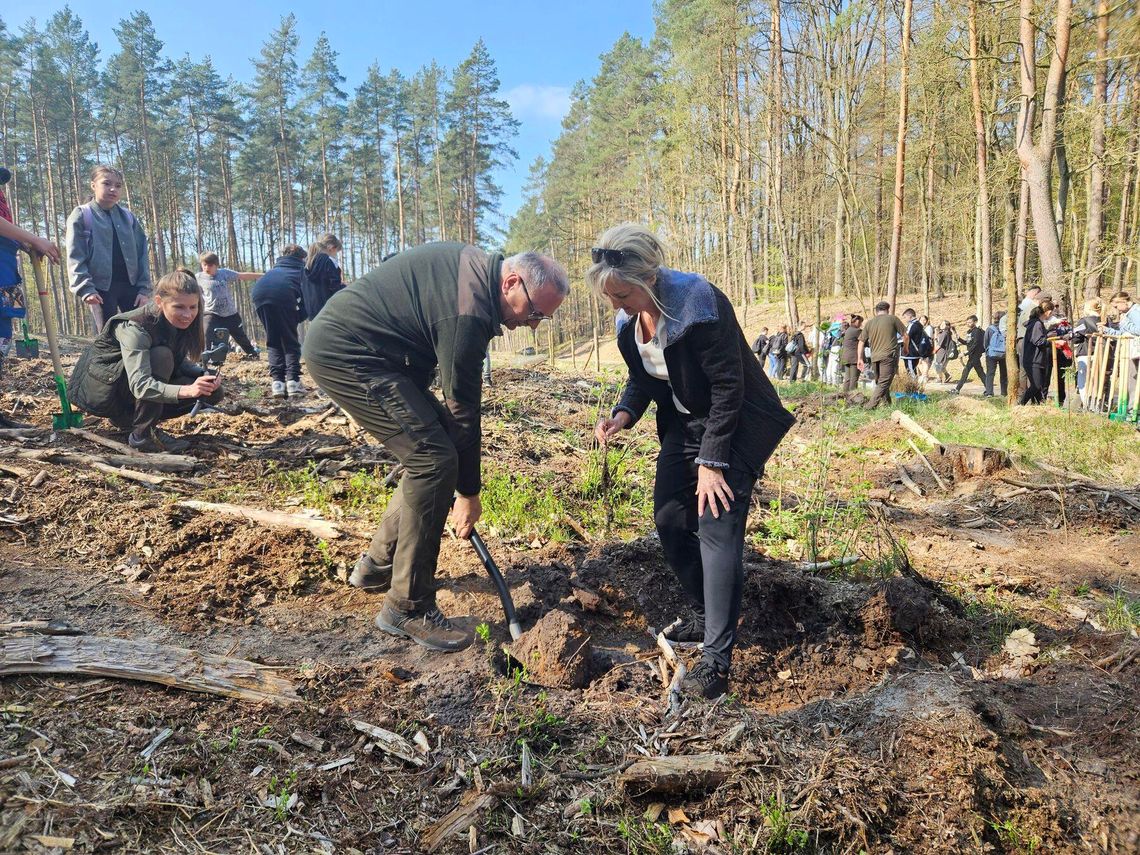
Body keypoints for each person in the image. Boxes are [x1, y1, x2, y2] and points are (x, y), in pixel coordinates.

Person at [303, 241, 569, 653]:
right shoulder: (469, 311)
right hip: (349, 353)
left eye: (542, 319)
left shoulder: (476, 275)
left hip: (375, 353)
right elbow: (463, 410)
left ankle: (378, 565)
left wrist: (463, 484)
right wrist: (469, 494)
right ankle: (407, 606)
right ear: (511, 282)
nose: (533, 325)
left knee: (430, 452)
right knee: (432, 458)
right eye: (534, 313)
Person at [590, 224, 795, 700]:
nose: (616, 305)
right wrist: (623, 414)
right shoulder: (628, 320)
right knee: (669, 519)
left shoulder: (698, 304)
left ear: (648, 278)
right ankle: (705, 612)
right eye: (610, 298)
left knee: (715, 525)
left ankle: (717, 664)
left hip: (734, 424)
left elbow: (728, 385)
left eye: (622, 294)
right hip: (684, 428)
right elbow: (643, 378)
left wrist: (713, 462)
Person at [67, 269, 222, 452]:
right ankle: (142, 435)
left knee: (212, 391)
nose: (187, 314)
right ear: (159, 302)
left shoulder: (178, 322)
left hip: (126, 386)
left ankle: (128, 418)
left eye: (193, 307)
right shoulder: (135, 327)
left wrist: (203, 375)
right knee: (162, 356)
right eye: (179, 307)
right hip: (101, 394)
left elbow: (178, 360)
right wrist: (188, 390)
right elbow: (140, 384)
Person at [65, 165, 151, 331]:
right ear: (93, 185)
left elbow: (142, 255)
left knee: (140, 334)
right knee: (106, 337)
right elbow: (75, 256)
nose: (113, 189)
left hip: (131, 288)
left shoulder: (128, 217)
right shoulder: (82, 215)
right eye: (106, 183)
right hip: (100, 289)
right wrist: (85, 289)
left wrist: (144, 289)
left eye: (118, 186)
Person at [252, 245, 308, 398]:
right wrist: (298, 317)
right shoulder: (302, 271)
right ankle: (293, 382)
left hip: (259, 294)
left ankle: (277, 383)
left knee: (274, 341)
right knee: (290, 341)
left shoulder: (275, 269)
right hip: (283, 295)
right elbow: (309, 300)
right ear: (302, 258)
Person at [196, 252, 261, 358]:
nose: (207, 268)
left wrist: (262, 275)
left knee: (240, 336)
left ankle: (252, 353)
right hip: (212, 313)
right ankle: (204, 356)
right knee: (206, 332)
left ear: (216, 265)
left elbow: (242, 276)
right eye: (204, 265)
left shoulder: (224, 273)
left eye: (210, 265)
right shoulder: (198, 278)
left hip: (230, 314)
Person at [858, 301, 907, 409]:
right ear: (887, 310)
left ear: (876, 311)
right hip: (888, 355)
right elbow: (905, 336)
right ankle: (869, 406)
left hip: (874, 356)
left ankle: (887, 405)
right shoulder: (893, 319)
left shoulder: (870, 323)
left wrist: (859, 359)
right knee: (884, 382)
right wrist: (906, 348)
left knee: (880, 382)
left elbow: (861, 342)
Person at [1019, 299, 1055, 405]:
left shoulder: (1038, 323)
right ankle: (1021, 404)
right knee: (1036, 386)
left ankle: (1041, 405)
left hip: (1036, 359)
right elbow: (1038, 341)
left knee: (1039, 386)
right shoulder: (1036, 324)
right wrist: (1050, 339)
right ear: (1048, 312)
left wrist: (1048, 335)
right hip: (1033, 360)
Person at [301, 233, 344, 319]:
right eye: (336, 251)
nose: (336, 255)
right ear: (331, 248)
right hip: (329, 313)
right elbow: (335, 288)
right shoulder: (328, 262)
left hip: (313, 314)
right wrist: (344, 287)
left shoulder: (306, 265)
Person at [1071, 299, 1101, 406]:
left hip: (1086, 352)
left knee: (1083, 380)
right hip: (1100, 353)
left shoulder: (1084, 321)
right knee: (1098, 379)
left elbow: (1076, 337)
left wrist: (1071, 336)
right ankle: (1098, 403)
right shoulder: (1105, 320)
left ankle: (1087, 404)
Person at [953, 315, 985, 393]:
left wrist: (965, 353)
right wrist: (959, 338)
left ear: (975, 322)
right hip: (971, 355)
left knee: (966, 371)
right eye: (967, 322)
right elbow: (967, 343)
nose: (968, 324)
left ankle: (957, 389)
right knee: (980, 372)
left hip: (975, 354)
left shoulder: (977, 331)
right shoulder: (969, 332)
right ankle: (989, 389)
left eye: (970, 322)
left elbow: (975, 344)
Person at [982, 311, 1008, 398]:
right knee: (1004, 374)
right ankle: (1004, 392)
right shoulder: (1005, 328)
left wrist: (987, 351)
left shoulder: (990, 329)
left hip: (991, 354)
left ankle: (989, 392)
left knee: (990, 373)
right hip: (1003, 354)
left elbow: (985, 342)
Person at [900, 309, 927, 377]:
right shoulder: (918, 324)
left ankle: (913, 383)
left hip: (911, 353)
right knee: (911, 371)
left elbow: (906, 337)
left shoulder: (913, 325)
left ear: (910, 316)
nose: (905, 319)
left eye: (905, 317)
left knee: (911, 372)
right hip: (914, 351)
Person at [841, 314, 863, 394]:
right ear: (857, 322)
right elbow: (865, 341)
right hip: (854, 358)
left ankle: (844, 396)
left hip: (846, 357)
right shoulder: (857, 331)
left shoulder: (848, 330)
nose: (861, 324)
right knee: (854, 378)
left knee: (847, 378)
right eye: (860, 322)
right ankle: (852, 396)